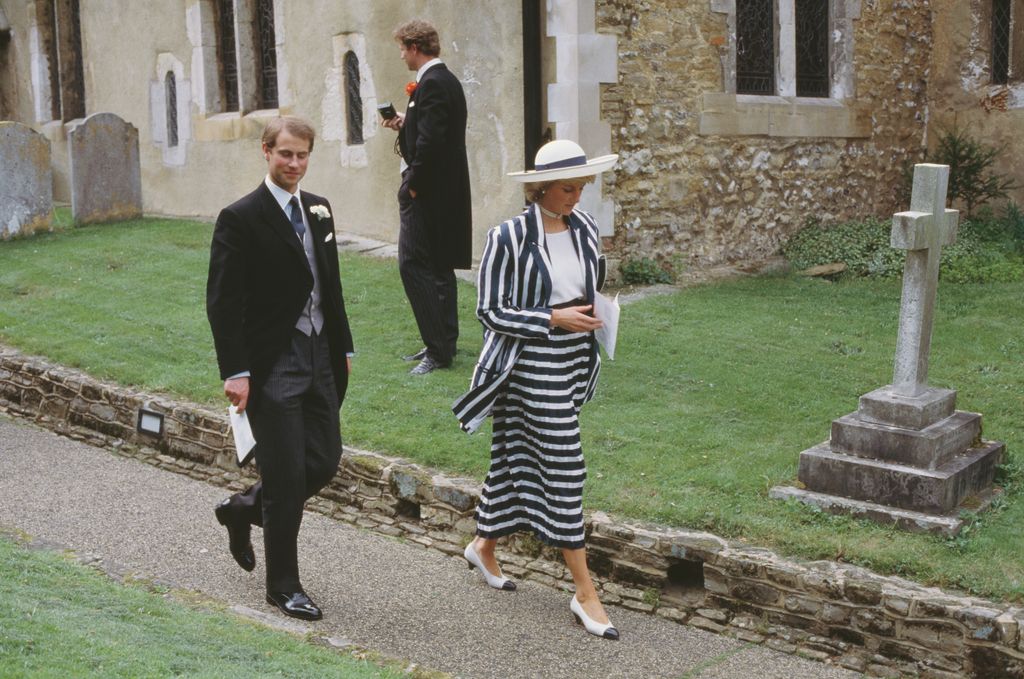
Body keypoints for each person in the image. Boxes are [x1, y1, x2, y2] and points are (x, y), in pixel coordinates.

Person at [453, 139, 621, 640]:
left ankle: (483, 545)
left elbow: (588, 282)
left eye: (582, 187)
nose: (577, 196)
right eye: (569, 188)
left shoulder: (584, 227)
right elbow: (489, 311)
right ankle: (585, 592)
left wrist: (595, 315)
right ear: (541, 188)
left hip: (572, 361)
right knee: (566, 465)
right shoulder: (507, 237)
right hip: (527, 363)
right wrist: (552, 317)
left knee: (512, 455)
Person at [206, 115, 354, 621]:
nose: (295, 163)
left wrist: (345, 350)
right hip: (273, 364)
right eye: (285, 154)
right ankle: (282, 586)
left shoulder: (319, 209)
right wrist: (237, 370)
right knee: (287, 475)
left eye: (303, 155)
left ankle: (243, 508)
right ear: (266, 152)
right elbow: (223, 303)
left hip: (321, 357)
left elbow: (329, 286)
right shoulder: (240, 217)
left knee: (325, 460)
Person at [382, 19, 472, 375]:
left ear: (415, 47)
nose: (402, 54)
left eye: (403, 48)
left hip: (429, 192)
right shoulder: (443, 80)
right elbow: (435, 130)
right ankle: (443, 343)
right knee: (439, 267)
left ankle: (438, 351)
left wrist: (412, 185)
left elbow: (432, 144)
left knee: (413, 265)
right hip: (443, 191)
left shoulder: (432, 84)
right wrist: (407, 120)